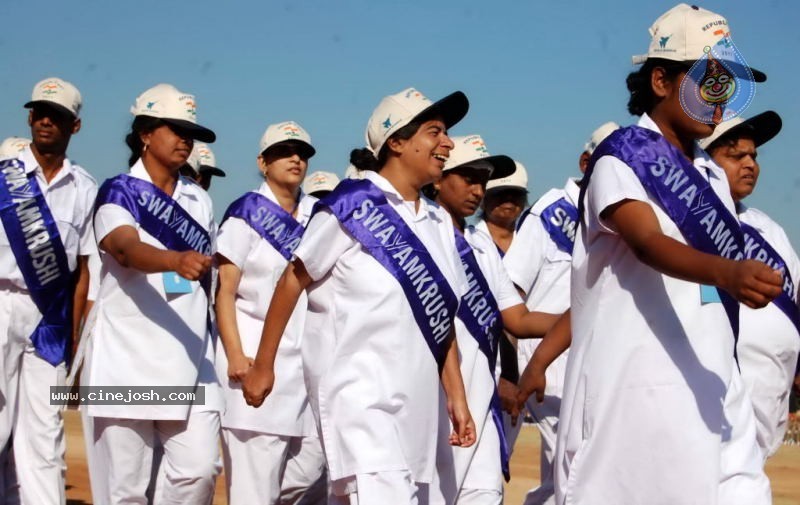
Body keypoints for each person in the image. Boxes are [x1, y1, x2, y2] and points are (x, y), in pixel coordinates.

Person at [532, 4, 781, 503]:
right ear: (662, 81)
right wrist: (729, 272)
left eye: (729, 83)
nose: (721, 95)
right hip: (636, 394)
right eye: (709, 79)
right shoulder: (622, 157)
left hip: (714, 385)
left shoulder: (711, 174)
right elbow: (647, 242)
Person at [243, 87, 477, 505]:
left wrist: (457, 397)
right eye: (435, 132)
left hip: (420, 406)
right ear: (397, 141)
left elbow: (441, 320)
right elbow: (293, 279)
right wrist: (264, 365)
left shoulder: (439, 222)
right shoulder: (351, 204)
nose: (448, 143)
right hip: (360, 399)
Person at [84, 83, 222, 504]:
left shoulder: (198, 199)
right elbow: (124, 247)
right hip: (128, 358)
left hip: (190, 354)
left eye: (190, 132)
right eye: (174, 128)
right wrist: (174, 260)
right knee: (125, 489)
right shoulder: (118, 190)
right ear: (145, 133)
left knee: (198, 471)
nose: (186, 139)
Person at [427, 134, 558, 505]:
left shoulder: (482, 247)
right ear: (438, 178)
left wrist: (584, 315)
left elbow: (518, 318)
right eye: (467, 176)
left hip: (480, 399)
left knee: (485, 494)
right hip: (431, 398)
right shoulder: (420, 233)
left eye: (482, 180)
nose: (477, 189)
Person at [503, 121, 618, 505]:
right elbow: (511, 289)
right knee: (573, 472)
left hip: (593, 362)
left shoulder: (613, 214)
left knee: (571, 474)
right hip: (546, 367)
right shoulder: (552, 210)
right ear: (586, 162)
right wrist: (510, 369)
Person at [215, 121, 326, 504]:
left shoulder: (317, 213)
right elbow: (225, 291)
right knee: (253, 488)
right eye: (285, 151)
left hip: (307, 367)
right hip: (254, 361)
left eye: (303, 153)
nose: (296, 158)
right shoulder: (245, 212)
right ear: (263, 162)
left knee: (314, 467)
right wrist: (233, 355)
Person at [0, 77, 95, 505]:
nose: (45, 122)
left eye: (56, 116)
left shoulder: (85, 188)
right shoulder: (4, 173)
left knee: (45, 430)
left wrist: (73, 335)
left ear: (73, 126)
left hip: (50, 320)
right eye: (39, 113)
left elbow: (83, 272)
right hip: (1, 303)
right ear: (29, 117)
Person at [699, 110, 800, 459]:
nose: (750, 164)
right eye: (736, 155)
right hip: (716, 399)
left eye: (754, 156)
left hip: (768, 399)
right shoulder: (689, 225)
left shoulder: (769, 228)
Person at [474, 161, 529, 450]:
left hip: (532, 366)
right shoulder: (470, 243)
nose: (509, 202)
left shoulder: (534, 242)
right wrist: (508, 375)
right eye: (500, 194)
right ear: (484, 198)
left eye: (516, 195)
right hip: (484, 366)